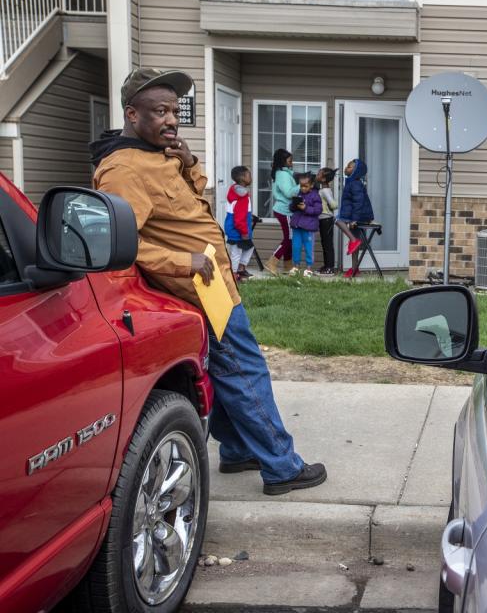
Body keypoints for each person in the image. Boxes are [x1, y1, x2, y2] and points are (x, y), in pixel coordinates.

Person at [91, 68, 326, 495]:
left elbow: (190, 203)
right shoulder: (124, 169)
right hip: (196, 289)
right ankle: (282, 466)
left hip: (213, 282)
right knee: (244, 368)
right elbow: (119, 244)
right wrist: (184, 260)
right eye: (159, 111)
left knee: (224, 369)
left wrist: (188, 162)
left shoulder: (159, 155)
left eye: (174, 110)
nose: (171, 119)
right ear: (131, 114)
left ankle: (236, 449)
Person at [336, 158, 374, 278]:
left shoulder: (355, 184)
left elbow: (359, 203)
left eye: (349, 167)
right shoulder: (351, 182)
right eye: (347, 166)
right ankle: (354, 269)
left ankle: (353, 240)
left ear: (356, 171)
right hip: (355, 215)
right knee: (355, 245)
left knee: (338, 220)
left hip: (360, 215)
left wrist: (354, 219)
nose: (346, 168)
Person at [265, 148, 298, 275]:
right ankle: (272, 262)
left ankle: (288, 266)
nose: (292, 163)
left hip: (285, 210)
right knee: (289, 239)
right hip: (285, 211)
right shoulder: (283, 175)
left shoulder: (284, 173)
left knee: (289, 238)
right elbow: (289, 193)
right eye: (290, 161)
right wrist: (302, 185)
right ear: (283, 161)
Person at [288, 171, 324, 277]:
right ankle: (296, 266)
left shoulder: (315, 196)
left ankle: (308, 268)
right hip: (297, 226)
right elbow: (291, 208)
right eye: (301, 186)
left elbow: (318, 210)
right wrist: (294, 205)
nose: (303, 188)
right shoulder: (299, 194)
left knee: (309, 248)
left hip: (308, 227)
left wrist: (306, 208)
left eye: (305, 186)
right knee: (296, 247)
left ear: (311, 185)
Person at [224, 165, 254, 282]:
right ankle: (234, 275)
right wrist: (244, 231)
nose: (251, 177)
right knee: (236, 253)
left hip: (233, 226)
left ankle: (241, 269)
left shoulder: (235, 190)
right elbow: (239, 217)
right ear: (242, 178)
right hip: (238, 228)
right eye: (249, 175)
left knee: (249, 247)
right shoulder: (243, 196)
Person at [314, 167, 339, 275]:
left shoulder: (325, 191)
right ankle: (326, 265)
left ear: (323, 179)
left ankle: (330, 268)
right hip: (323, 219)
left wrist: (330, 207)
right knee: (325, 244)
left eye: (319, 174)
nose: (316, 175)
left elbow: (333, 204)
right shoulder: (323, 190)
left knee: (328, 245)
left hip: (326, 219)